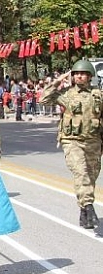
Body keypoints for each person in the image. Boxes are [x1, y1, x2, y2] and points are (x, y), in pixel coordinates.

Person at [40, 60, 101, 230]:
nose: (79, 76)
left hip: (93, 142)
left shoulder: (98, 94)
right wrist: (58, 80)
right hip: (72, 141)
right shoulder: (66, 94)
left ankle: (83, 211)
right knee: (81, 173)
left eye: (82, 74)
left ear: (89, 76)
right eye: (76, 74)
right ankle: (88, 206)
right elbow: (44, 99)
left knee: (90, 177)